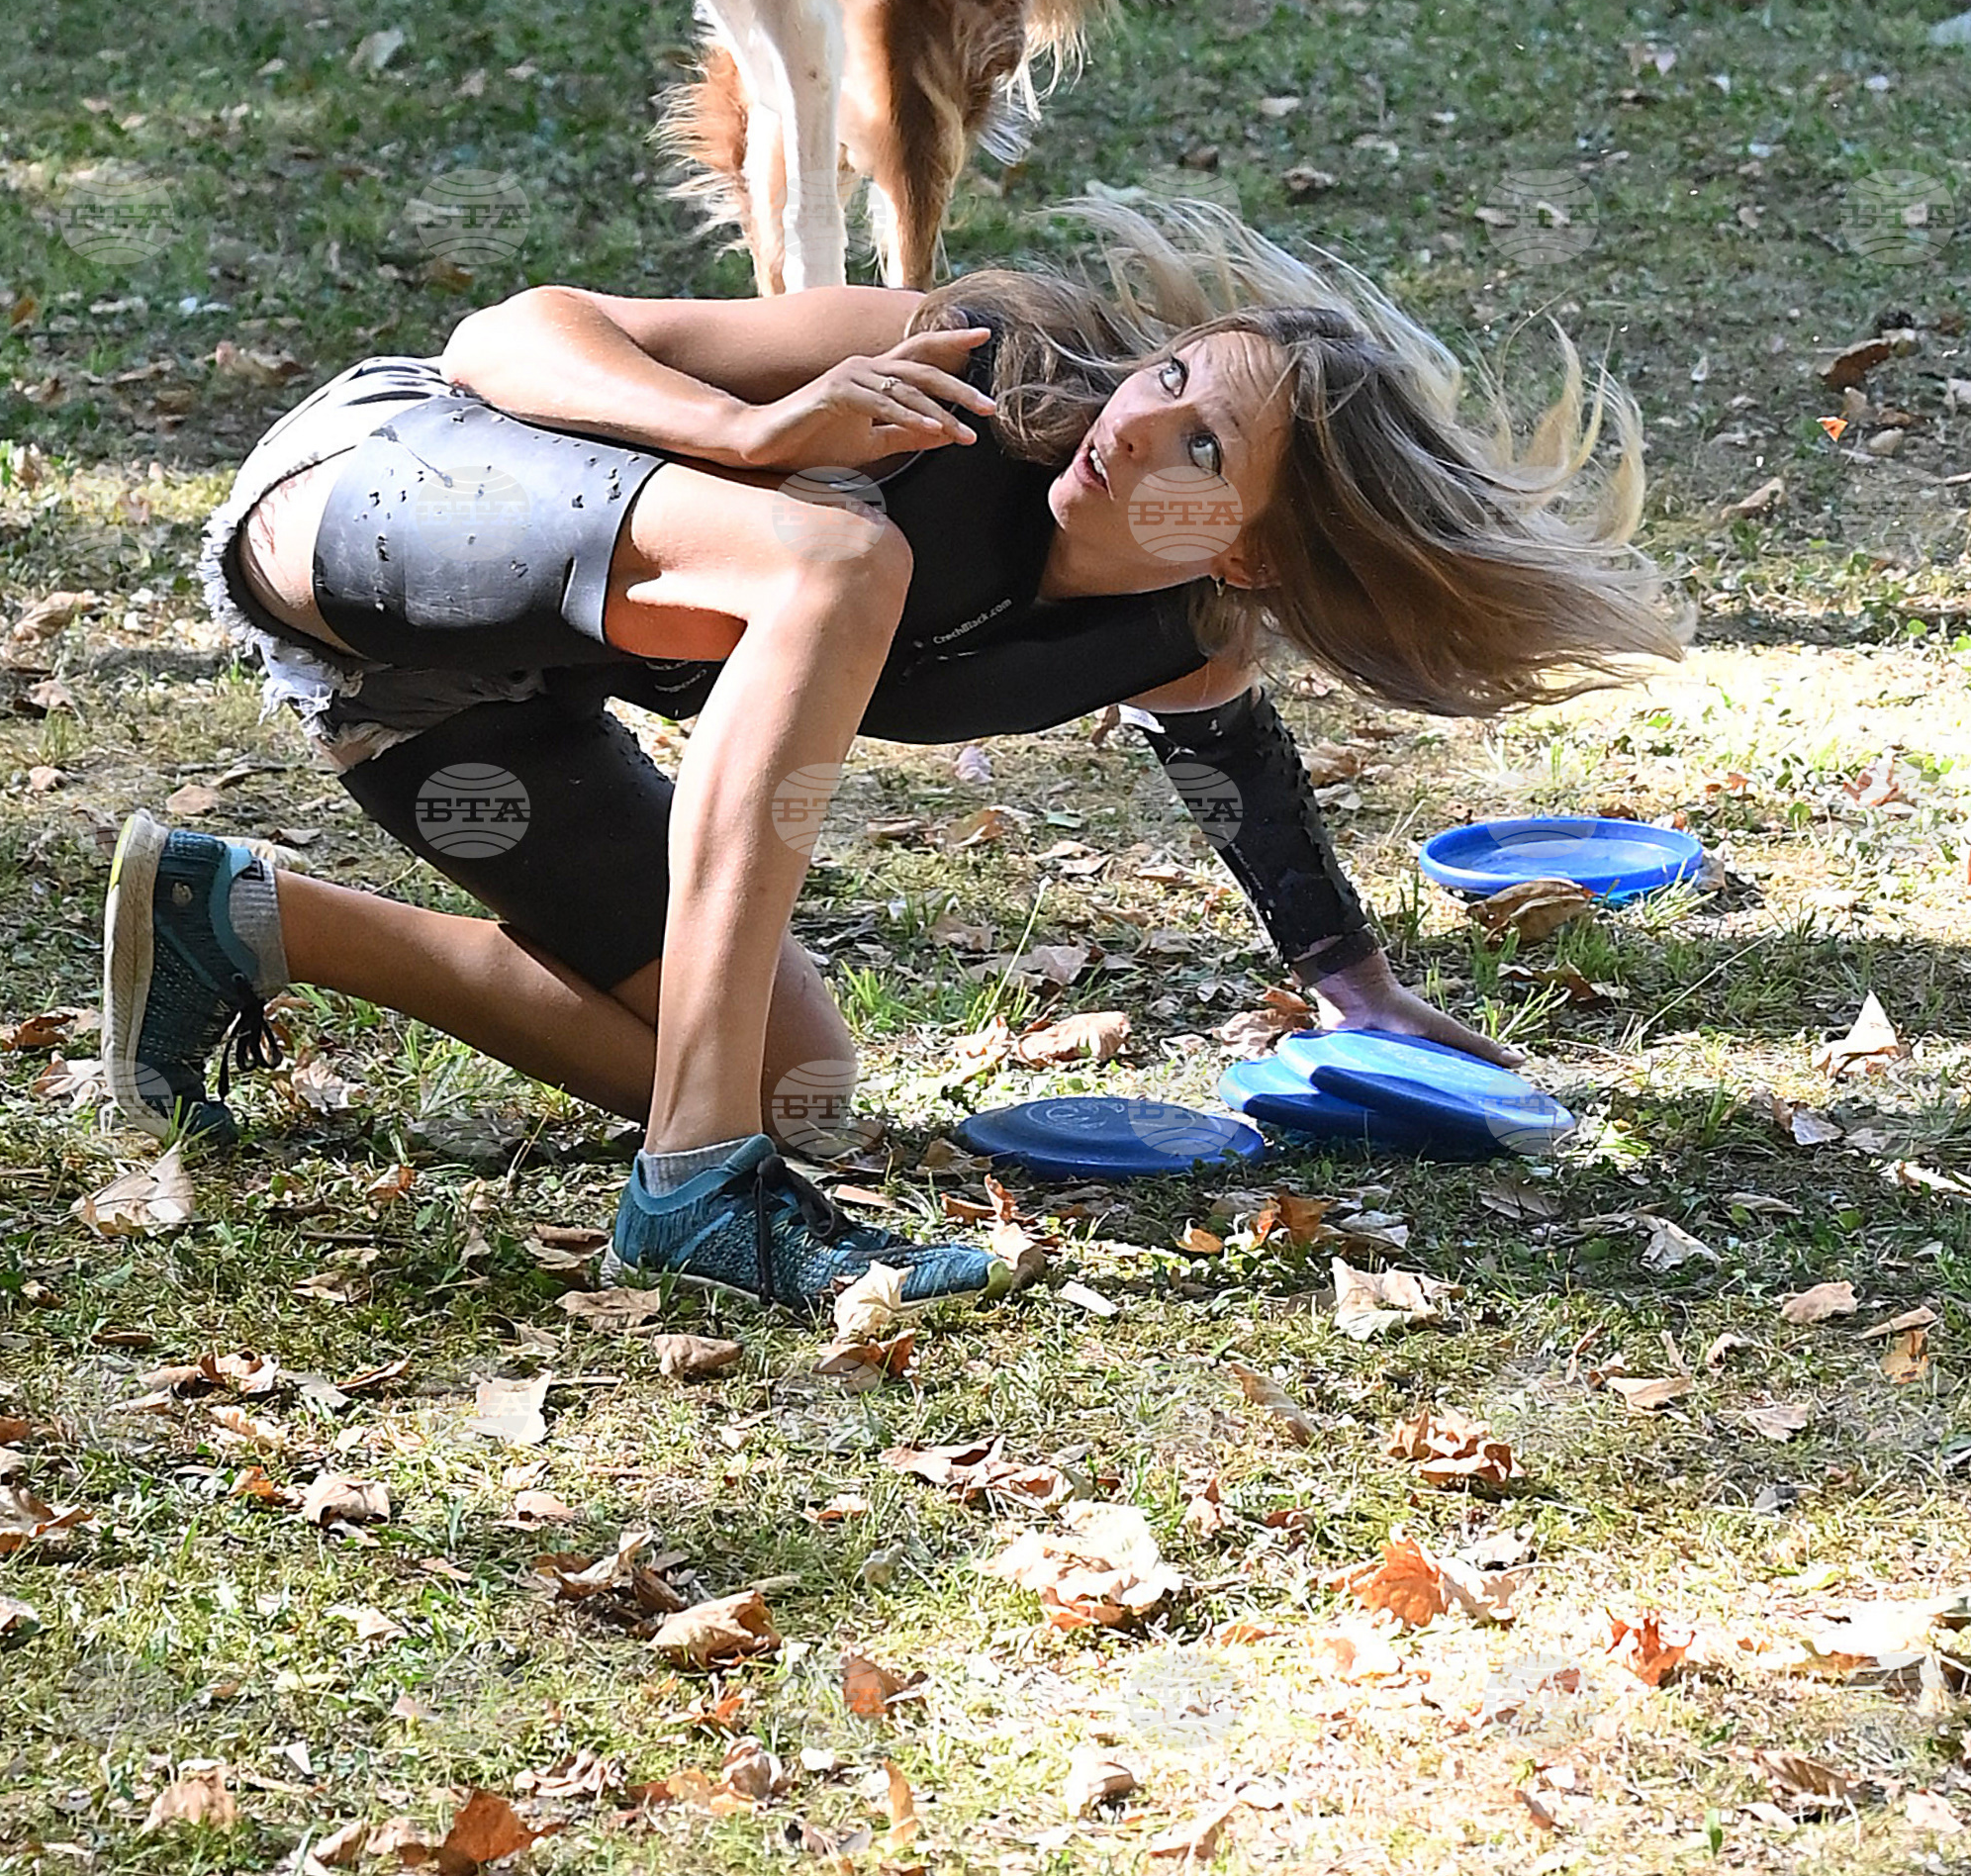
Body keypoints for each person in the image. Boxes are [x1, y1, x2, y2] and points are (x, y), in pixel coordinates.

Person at [99, 197, 1677, 1316]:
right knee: (843, 562)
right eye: (1171, 378)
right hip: (365, 496)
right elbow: (509, 337)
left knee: (800, 1079)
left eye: (1202, 453)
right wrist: (755, 434)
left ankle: (239, 920)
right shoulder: (967, 365)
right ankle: (696, 1195)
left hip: (447, 707)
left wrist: (1351, 985)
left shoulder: (1183, 631)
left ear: (1247, 560)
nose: (1136, 428)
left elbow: (1235, 770)